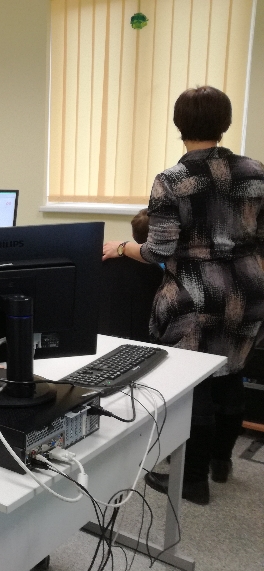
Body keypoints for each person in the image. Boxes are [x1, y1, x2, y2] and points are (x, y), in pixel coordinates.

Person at [103, 86, 264, 505]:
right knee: (233, 372)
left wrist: (121, 247)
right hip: (249, 292)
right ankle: (221, 463)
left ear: (178, 124)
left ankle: (192, 480)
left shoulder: (172, 180)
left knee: (197, 387)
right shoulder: (256, 172)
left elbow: (158, 250)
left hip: (196, 297)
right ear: (226, 122)